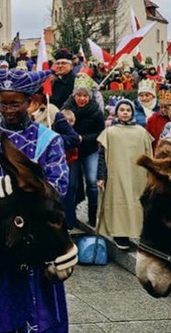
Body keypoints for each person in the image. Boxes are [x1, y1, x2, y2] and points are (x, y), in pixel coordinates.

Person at [0, 68, 69, 332]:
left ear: (31, 102)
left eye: (15, 104)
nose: (7, 109)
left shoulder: (50, 141)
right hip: (0, 245)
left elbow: (59, 188)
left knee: (43, 314)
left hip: (41, 242)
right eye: (3, 103)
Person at [96, 99, 153, 250]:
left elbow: (149, 154)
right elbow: (102, 155)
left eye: (128, 110)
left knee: (137, 203)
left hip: (137, 175)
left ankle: (138, 233)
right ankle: (120, 235)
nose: (125, 113)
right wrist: (101, 176)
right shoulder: (110, 132)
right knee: (119, 203)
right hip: (116, 173)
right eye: (122, 110)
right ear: (117, 112)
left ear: (133, 112)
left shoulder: (141, 132)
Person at [62, 74, 105, 228]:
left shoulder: (95, 111)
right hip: (72, 151)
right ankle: (70, 216)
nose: (81, 99)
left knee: (92, 182)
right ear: (74, 96)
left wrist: (83, 138)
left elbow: (100, 132)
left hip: (90, 150)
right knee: (71, 184)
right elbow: (60, 127)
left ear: (89, 96)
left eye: (85, 95)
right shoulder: (66, 108)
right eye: (79, 95)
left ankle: (92, 215)